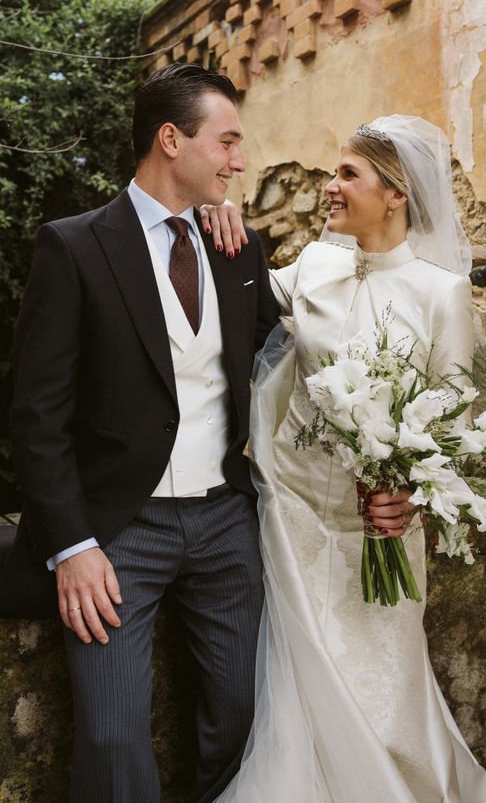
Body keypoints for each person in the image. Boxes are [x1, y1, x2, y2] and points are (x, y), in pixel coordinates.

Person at [203, 115, 486, 802]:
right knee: (301, 695)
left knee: (383, 699)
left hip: (381, 531)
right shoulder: (313, 265)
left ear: (396, 193)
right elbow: (246, 295)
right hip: (294, 520)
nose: (330, 188)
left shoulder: (442, 292)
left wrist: (411, 495)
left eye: (348, 174)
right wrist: (217, 221)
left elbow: (449, 418)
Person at [5, 63, 284, 803]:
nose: (240, 159)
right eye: (226, 141)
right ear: (172, 139)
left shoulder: (237, 250)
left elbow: (288, 369)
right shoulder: (75, 247)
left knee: (244, 712)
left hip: (227, 522)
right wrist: (72, 544)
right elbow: (36, 416)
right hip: (118, 532)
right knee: (111, 732)